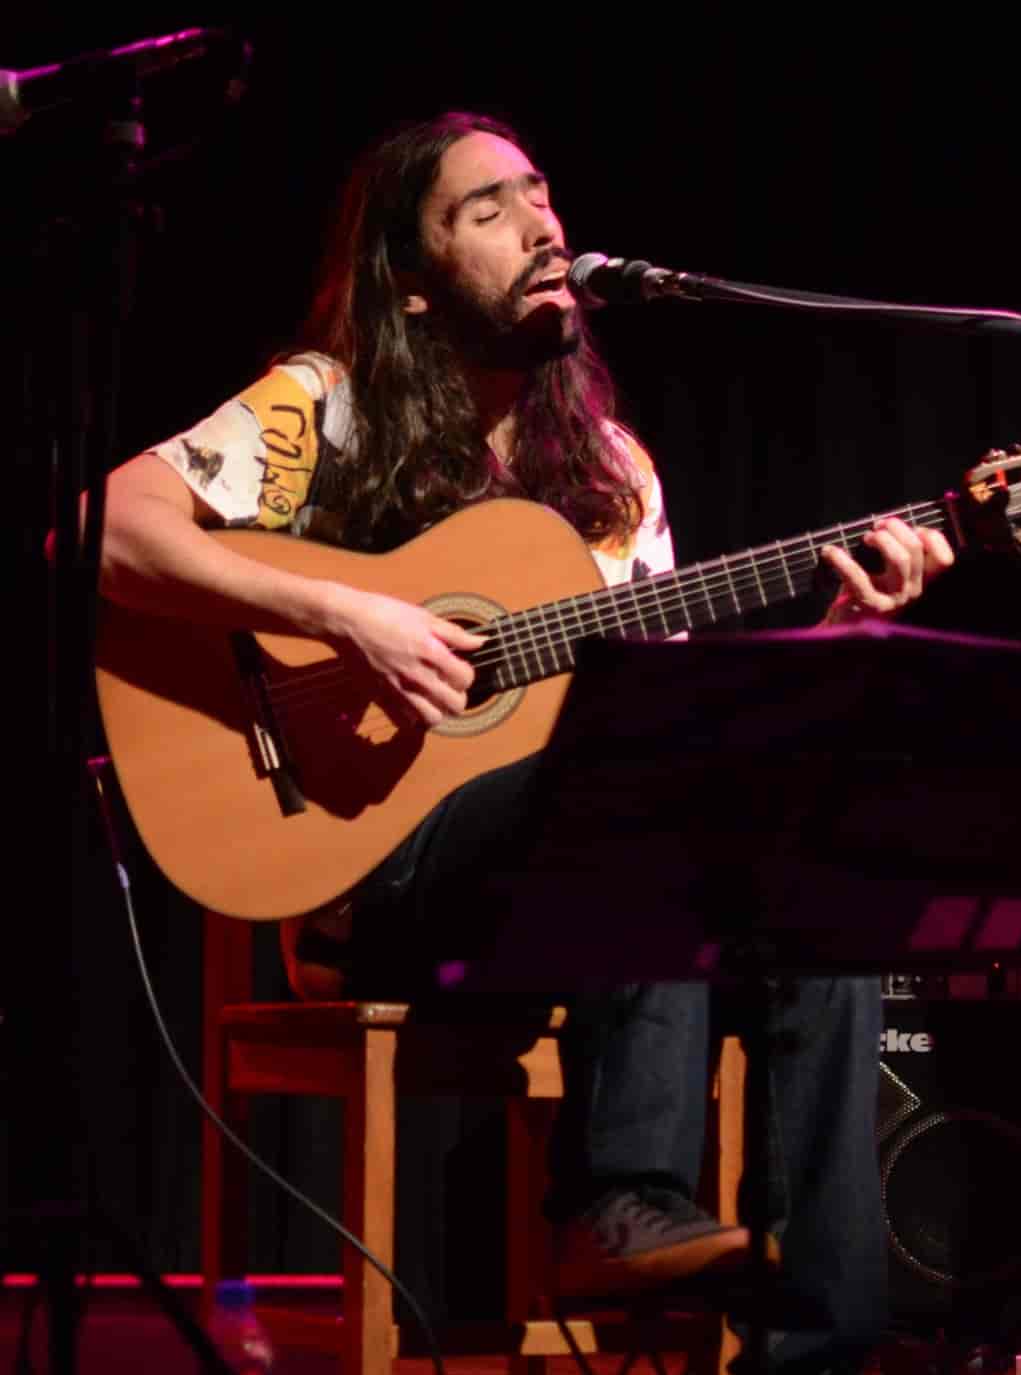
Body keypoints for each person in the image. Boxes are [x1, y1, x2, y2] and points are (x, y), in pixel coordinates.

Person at [89, 111, 953, 1369]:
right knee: (648, 775)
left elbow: (678, 712)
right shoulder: (325, 408)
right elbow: (105, 524)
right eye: (486, 209)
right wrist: (345, 613)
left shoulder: (610, 473)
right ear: (412, 281)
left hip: (584, 904)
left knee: (822, 891)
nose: (542, 226)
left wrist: (835, 636)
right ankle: (617, 1198)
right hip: (373, 877)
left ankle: (828, 1347)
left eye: (541, 195)